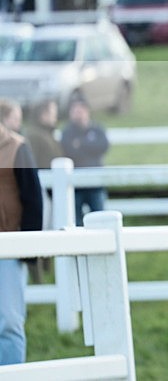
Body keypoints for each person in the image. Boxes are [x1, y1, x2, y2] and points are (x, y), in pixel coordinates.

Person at [0, 99, 43, 365]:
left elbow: (33, 200)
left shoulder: (16, 148)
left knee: (9, 322)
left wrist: (28, 249)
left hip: (8, 247)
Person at [60, 97, 109, 226]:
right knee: (74, 219)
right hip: (76, 184)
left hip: (95, 182)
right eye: (75, 111)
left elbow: (103, 146)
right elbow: (69, 150)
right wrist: (89, 146)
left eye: (80, 111)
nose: (78, 114)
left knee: (100, 217)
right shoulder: (67, 132)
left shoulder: (97, 129)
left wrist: (81, 144)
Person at [25, 99, 62, 170]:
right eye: (53, 113)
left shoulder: (49, 134)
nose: (55, 117)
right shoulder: (34, 136)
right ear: (43, 115)